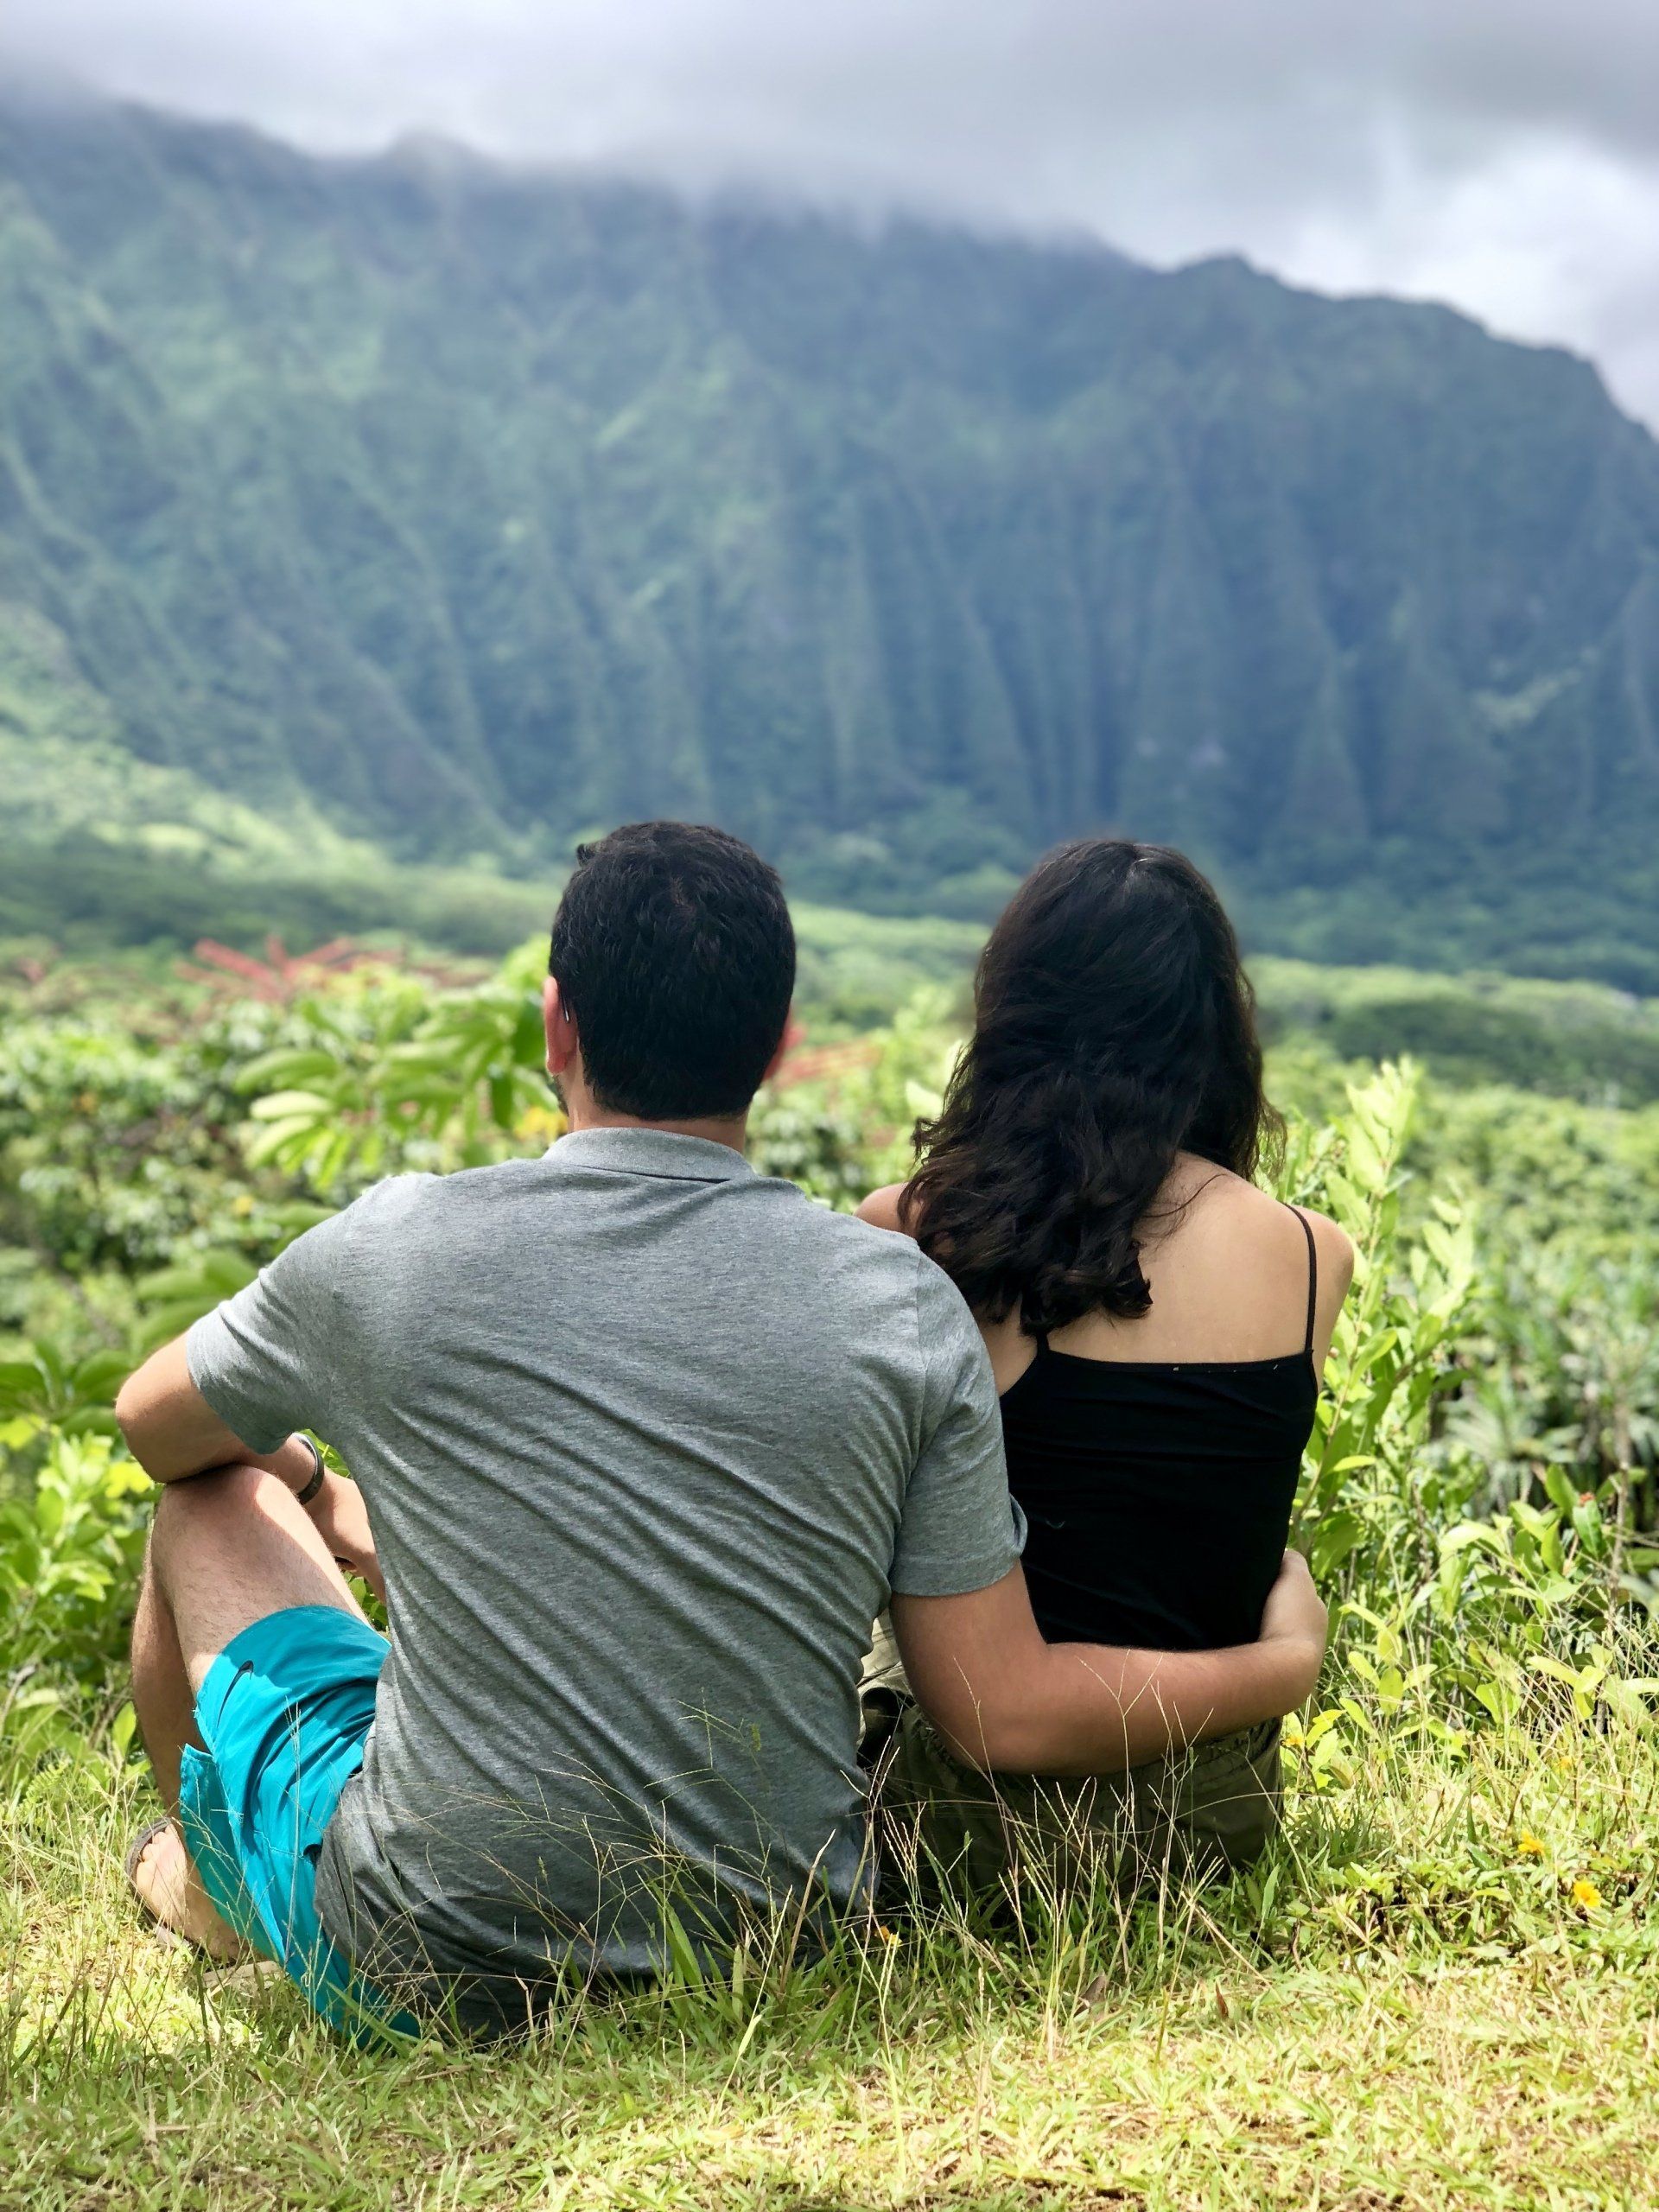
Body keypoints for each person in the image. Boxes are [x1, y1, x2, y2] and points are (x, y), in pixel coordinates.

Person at [115, 823, 1329, 2040]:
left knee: (209, 1501)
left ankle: (220, 1898)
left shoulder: (391, 1249)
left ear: (556, 1025)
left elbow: (154, 1425)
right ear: (779, 1045)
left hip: (431, 1962)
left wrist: (306, 1477)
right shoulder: (899, 1300)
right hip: (780, 1944)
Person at [859, 838, 1354, 1895]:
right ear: (1216, 1033)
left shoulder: (918, 1237)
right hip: (1211, 1828)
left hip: (969, 1835)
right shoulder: (1314, 1257)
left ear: (1013, 1018)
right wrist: (1282, 1665)